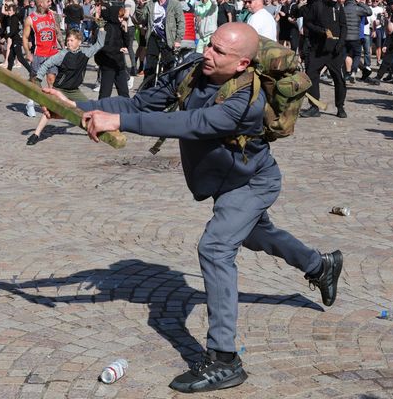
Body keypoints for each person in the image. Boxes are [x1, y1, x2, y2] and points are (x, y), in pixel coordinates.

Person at [40, 22, 342, 394]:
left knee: (215, 248)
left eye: (218, 52)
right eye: (209, 45)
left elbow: (191, 122)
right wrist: (79, 106)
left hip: (251, 183)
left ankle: (224, 360)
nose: (207, 55)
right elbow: (140, 103)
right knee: (259, 234)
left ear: (243, 64)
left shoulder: (247, 102)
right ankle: (320, 265)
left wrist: (118, 122)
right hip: (222, 180)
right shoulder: (192, 68)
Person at [26, 27, 106, 145]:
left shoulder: (85, 53)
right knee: (49, 111)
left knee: (90, 108)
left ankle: (97, 130)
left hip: (74, 90)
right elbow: (46, 64)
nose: (69, 42)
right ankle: (36, 134)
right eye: (68, 40)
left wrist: (102, 29)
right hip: (60, 89)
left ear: (79, 42)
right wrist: (38, 78)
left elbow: (99, 44)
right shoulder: (62, 55)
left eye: (72, 40)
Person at [302, 0, 348, 118]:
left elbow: (343, 26)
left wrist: (341, 42)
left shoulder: (339, 7)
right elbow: (308, 23)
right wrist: (321, 31)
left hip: (335, 51)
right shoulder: (317, 6)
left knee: (339, 78)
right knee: (311, 76)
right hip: (318, 50)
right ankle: (314, 106)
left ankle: (340, 107)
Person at [135, 0, 184, 78]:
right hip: (153, 36)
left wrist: (178, 40)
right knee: (150, 66)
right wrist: (140, 7)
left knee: (168, 66)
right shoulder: (151, 4)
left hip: (168, 37)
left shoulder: (175, 4)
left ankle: (165, 89)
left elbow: (181, 22)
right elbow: (142, 19)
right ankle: (148, 88)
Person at [23, 0, 62, 117]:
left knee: (51, 80)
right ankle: (30, 102)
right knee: (35, 81)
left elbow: (57, 30)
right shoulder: (30, 19)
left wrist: (63, 46)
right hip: (38, 54)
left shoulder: (52, 15)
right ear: (41, 4)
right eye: (47, 2)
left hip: (53, 53)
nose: (49, 3)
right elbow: (24, 37)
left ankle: (51, 105)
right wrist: (28, 53)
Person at [95, 5, 130, 99]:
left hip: (119, 64)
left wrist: (125, 30)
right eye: (120, 17)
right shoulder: (106, 27)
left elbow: (127, 44)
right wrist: (117, 50)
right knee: (105, 93)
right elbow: (102, 46)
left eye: (122, 17)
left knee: (124, 93)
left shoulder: (119, 26)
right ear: (114, 15)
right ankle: (100, 111)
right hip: (108, 65)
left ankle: (127, 111)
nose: (121, 19)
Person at [343, 0, 373, 83]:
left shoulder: (342, 9)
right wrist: (360, 2)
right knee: (357, 55)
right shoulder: (358, 9)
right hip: (356, 37)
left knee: (347, 54)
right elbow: (369, 12)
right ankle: (353, 71)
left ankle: (348, 72)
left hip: (345, 37)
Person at [118, 0, 138, 78]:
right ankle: (134, 68)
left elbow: (126, 14)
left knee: (124, 47)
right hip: (132, 26)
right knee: (130, 48)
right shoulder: (133, 1)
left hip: (127, 26)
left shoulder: (127, 2)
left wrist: (121, 20)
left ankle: (126, 68)